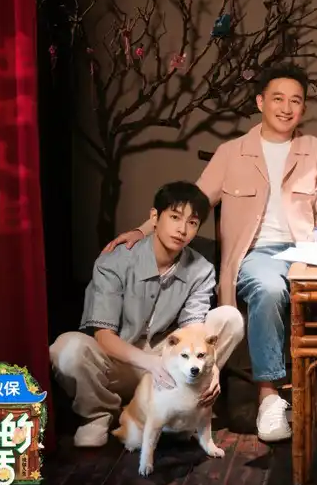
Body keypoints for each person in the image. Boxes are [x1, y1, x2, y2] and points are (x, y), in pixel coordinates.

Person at [102, 63, 317, 443]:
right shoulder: (232, 153)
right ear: (260, 101)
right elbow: (193, 203)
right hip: (258, 255)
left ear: (303, 107)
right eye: (278, 99)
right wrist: (142, 230)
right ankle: (268, 397)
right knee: (269, 289)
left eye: (295, 101)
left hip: (306, 253)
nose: (286, 108)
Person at [50, 182, 245, 447]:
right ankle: (99, 414)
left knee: (229, 318)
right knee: (66, 349)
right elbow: (103, 336)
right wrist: (149, 362)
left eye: (192, 223)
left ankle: (180, 408)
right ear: (154, 217)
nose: (182, 229)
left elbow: (194, 330)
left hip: (171, 364)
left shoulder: (201, 269)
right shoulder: (115, 261)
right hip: (120, 361)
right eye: (175, 217)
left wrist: (213, 370)